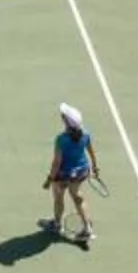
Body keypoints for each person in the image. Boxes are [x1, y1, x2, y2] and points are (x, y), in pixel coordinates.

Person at [44, 101, 102, 247]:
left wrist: (50, 179)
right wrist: (95, 167)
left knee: (58, 197)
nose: (61, 116)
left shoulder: (61, 139)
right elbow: (91, 151)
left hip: (63, 175)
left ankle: (57, 225)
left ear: (66, 122)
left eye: (63, 116)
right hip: (81, 172)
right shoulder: (86, 134)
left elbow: (57, 162)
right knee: (77, 197)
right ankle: (87, 229)